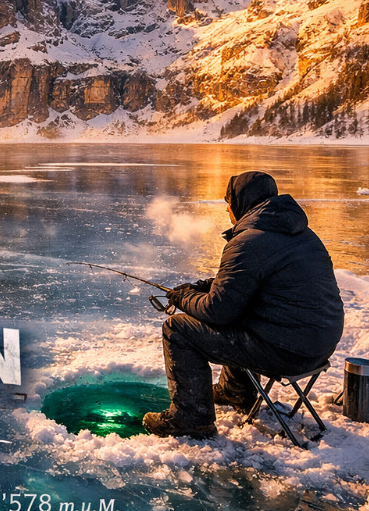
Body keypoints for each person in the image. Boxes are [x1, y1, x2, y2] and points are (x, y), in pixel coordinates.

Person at [143, 171, 344, 439]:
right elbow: (250, 283)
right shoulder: (301, 233)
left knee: (177, 328)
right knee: (244, 308)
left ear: (240, 203)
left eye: (228, 204)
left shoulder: (249, 241)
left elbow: (218, 311)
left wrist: (182, 298)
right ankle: (236, 390)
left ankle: (191, 418)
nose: (227, 211)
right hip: (318, 346)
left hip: (287, 351)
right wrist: (205, 286)